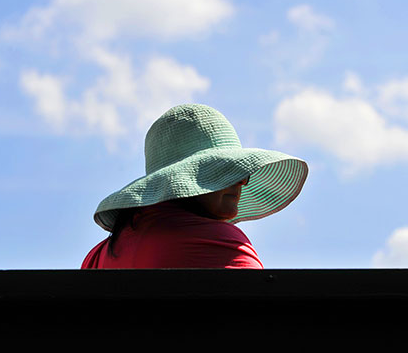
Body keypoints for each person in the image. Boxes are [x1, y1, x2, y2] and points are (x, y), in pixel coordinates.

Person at [81, 103, 308, 269]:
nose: (241, 181)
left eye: (238, 172)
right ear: (183, 181)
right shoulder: (218, 242)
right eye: (222, 171)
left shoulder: (95, 259)